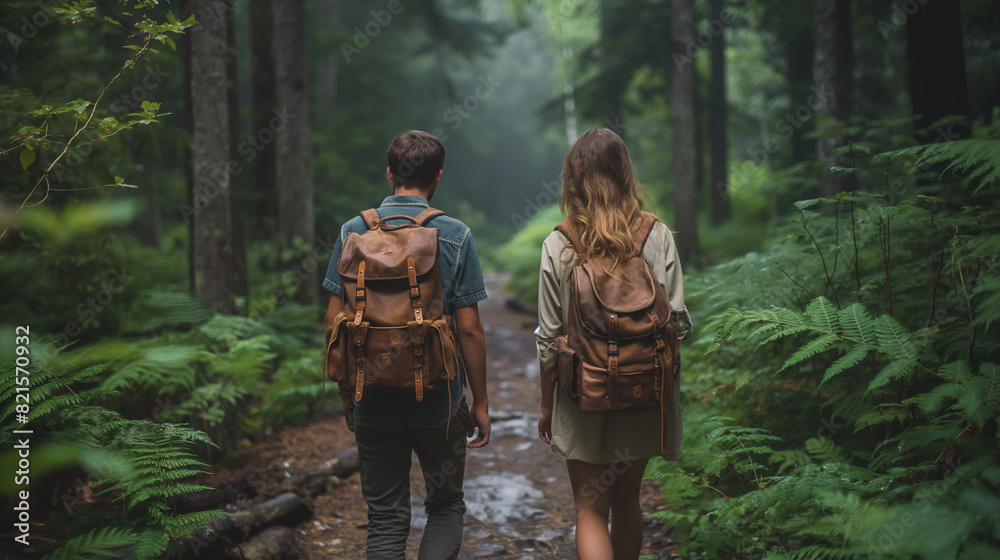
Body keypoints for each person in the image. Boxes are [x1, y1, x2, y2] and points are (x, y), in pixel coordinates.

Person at [323, 130, 491, 560]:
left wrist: (348, 393)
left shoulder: (351, 231)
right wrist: (481, 403)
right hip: (439, 398)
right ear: (437, 177)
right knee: (445, 504)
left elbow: (333, 321)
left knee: (385, 516)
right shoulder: (454, 234)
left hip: (372, 396)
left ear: (389, 173)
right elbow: (469, 329)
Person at [534, 128, 692, 560]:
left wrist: (548, 406)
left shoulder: (559, 242)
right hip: (644, 389)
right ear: (626, 173)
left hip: (580, 394)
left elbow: (549, 338)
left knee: (589, 508)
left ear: (572, 178)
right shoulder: (656, 235)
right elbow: (677, 323)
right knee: (626, 502)